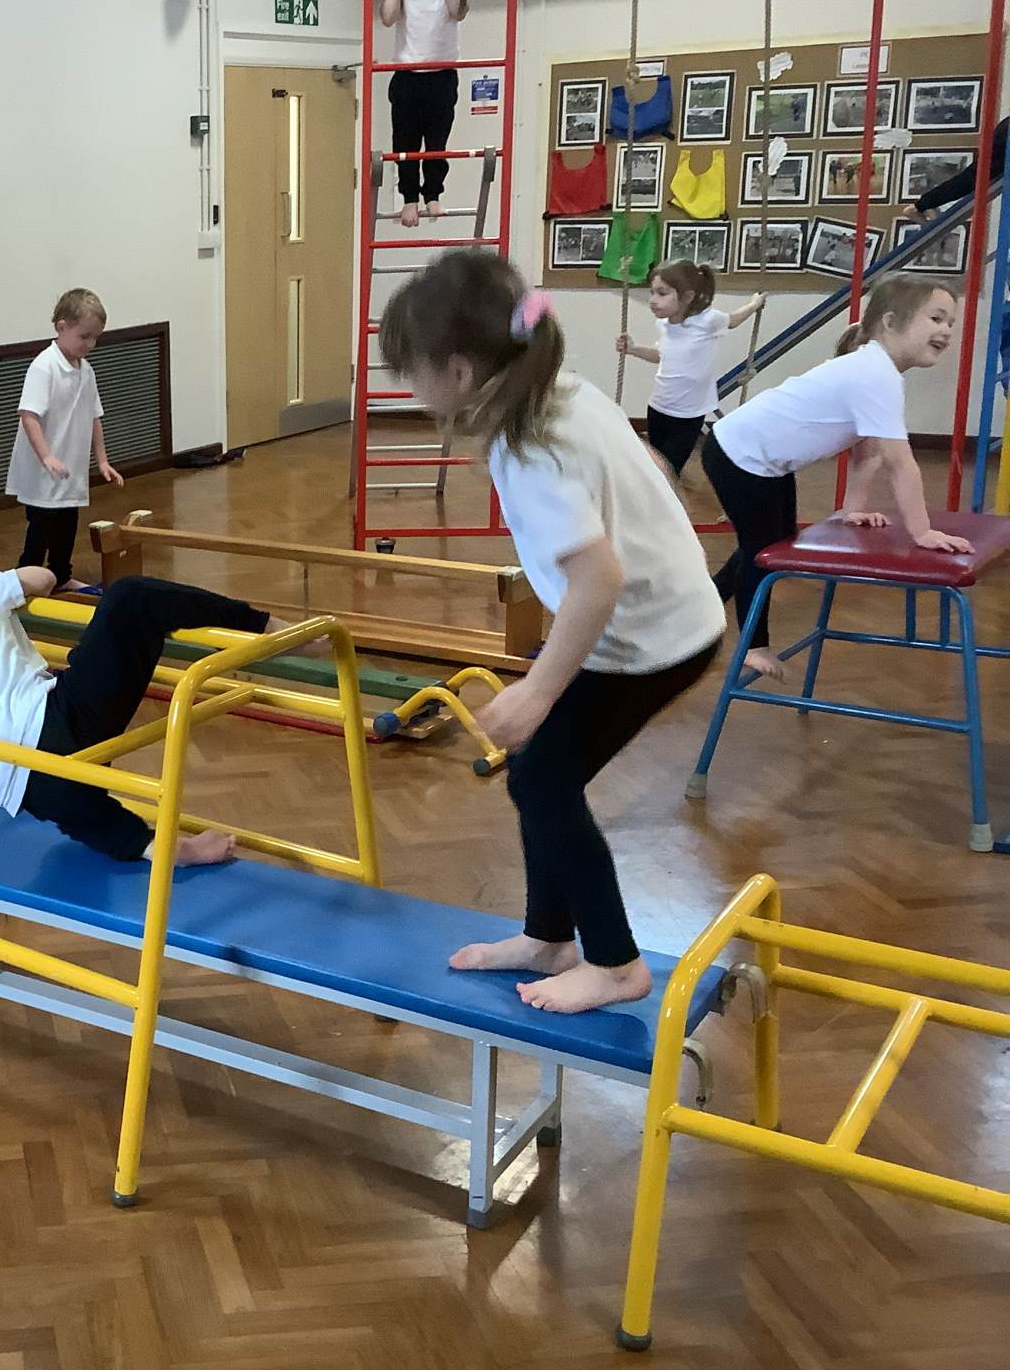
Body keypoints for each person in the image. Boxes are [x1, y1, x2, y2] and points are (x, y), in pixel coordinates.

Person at [384, 251, 726, 1015]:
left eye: (412, 373)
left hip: (650, 639)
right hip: (664, 618)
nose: (410, 389)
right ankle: (548, 938)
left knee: (542, 777)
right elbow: (642, 479)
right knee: (539, 771)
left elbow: (598, 580)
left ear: (459, 373)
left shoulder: (528, 446)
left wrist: (539, 689)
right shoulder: (559, 390)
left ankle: (614, 962)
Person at [0, 538, 321, 867]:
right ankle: (266, 628)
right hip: (70, 722)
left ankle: (169, 849)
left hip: (30, 785)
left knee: (99, 822)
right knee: (131, 598)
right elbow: (41, 578)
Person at [702, 276, 972, 683]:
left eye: (950, 322)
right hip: (739, 454)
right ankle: (753, 647)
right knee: (762, 550)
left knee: (773, 542)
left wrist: (852, 509)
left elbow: (867, 450)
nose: (947, 330)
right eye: (936, 318)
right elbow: (900, 463)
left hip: (761, 458)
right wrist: (922, 532)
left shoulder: (876, 371)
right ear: (890, 322)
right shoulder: (875, 374)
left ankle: (705, 604)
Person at [3, 288, 124, 592]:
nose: (90, 344)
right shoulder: (44, 366)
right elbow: (29, 416)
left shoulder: (86, 371)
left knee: (67, 523)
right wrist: (46, 456)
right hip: (43, 471)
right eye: (84, 336)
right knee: (41, 527)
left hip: (69, 467)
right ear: (61, 327)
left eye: (95, 338)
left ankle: (60, 575)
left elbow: (94, 416)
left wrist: (102, 460)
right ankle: (22, 582)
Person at [614, 261, 767, 476]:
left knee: (670, 468)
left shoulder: (707, 320)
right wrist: (633, 349)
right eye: (652, 292)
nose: (653, 300)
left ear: (687, 297)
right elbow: (661, 355)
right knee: (656, 463)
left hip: (688, 414)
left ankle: (667, 494)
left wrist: (754, 304)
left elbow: (734, 320)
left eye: (662, 293)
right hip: (659, 407)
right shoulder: (664, 324)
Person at [379, 0, 470, 228]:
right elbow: (387, 18)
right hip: (408, 75)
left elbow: (458, 12)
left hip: (442, 75)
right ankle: (409, 199)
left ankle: (432, 194)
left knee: (436, 141)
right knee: (405, 141)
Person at [900, 116, 1007, 221]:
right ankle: (921, 205)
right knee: (971, 179)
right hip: (1003, 139)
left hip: (1003, 138)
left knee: (971, 178)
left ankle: (922, 205)